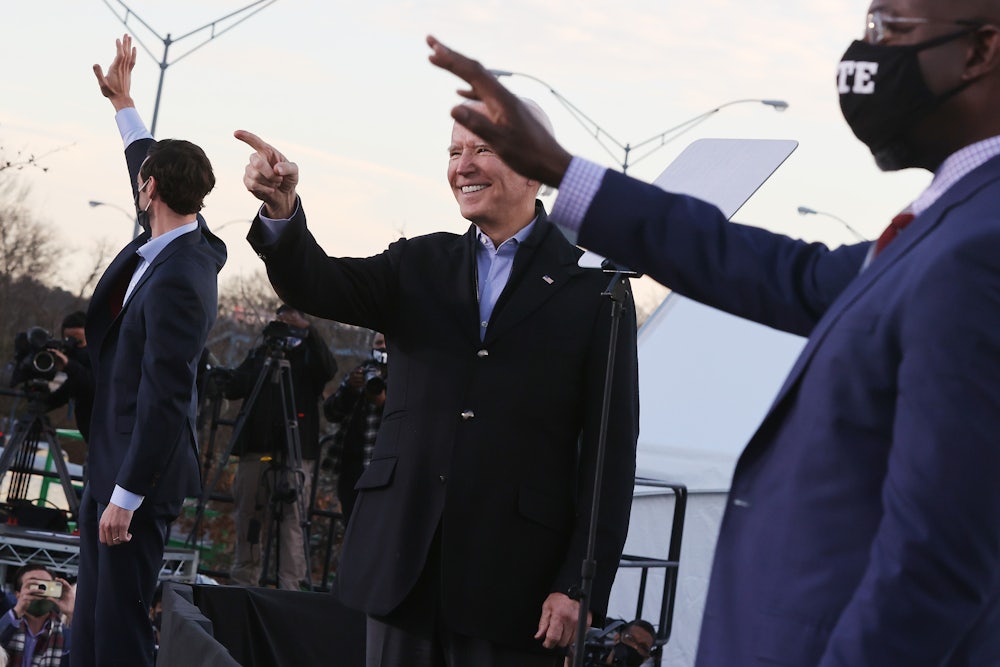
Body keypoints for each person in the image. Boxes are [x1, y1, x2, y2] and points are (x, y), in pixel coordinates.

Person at [426, 2, 1000, 663]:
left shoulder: (980, 247)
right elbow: (772, 268)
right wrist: (562, 168)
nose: (866, 54)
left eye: (889, 29)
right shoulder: (949, 222)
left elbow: (941, 553)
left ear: (980, 50)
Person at [235, 95, 639, 665]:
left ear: (535, 167)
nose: (462, 166)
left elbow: (610, 456)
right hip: (402, 569)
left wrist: (580, 583)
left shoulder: (596, 291)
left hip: (515, 589)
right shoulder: (417, 264)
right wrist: (282, 210)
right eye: (454, 151)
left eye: (482, 149)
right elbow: (318, 285)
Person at [75, 35, 227, 667]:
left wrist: (126, 496)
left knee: (120, 622)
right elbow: (146, 155)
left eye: (145, 179)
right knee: (92, 614)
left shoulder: (183, 278)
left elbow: (168, 397)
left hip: (137, 475)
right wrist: (124, 102)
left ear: (150, 189)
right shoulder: (172, 230)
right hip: (111, 457)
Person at [224, 304, 337, 590]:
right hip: (256, 450)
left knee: (293, 524)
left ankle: (291, 589)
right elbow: (238, 384)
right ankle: (244, 586)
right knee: (248, 518)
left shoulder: (308, 354)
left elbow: (328, 369)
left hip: (296, 452)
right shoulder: (262, 352)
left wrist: (307, 332)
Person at [323, 331, 387, 523]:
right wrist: (349, 389)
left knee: (374, 525)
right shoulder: (360, 372)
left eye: (386, 342)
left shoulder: (405, 377)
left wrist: (382, 402)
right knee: (350, 522)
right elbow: (331, 413)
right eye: (378, 343)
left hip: (380, 466)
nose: (382, 347)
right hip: (350, 466)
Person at [0, 564, 75, 667]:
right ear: (17, 593)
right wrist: (18, 610)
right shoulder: (7, 621)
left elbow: (82, 653)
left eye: (46, 586)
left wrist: (71, 613)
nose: (40, 590)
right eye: (33, 585)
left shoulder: (64, 633)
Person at [45, 311, 95, 443]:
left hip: (102, 428)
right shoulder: (71, 360)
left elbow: (93, 385)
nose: (73, 345)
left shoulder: (100, 356)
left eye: (78, 341)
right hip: (88, 430)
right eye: (68, 340)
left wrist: (69, 365)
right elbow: (67, 389)